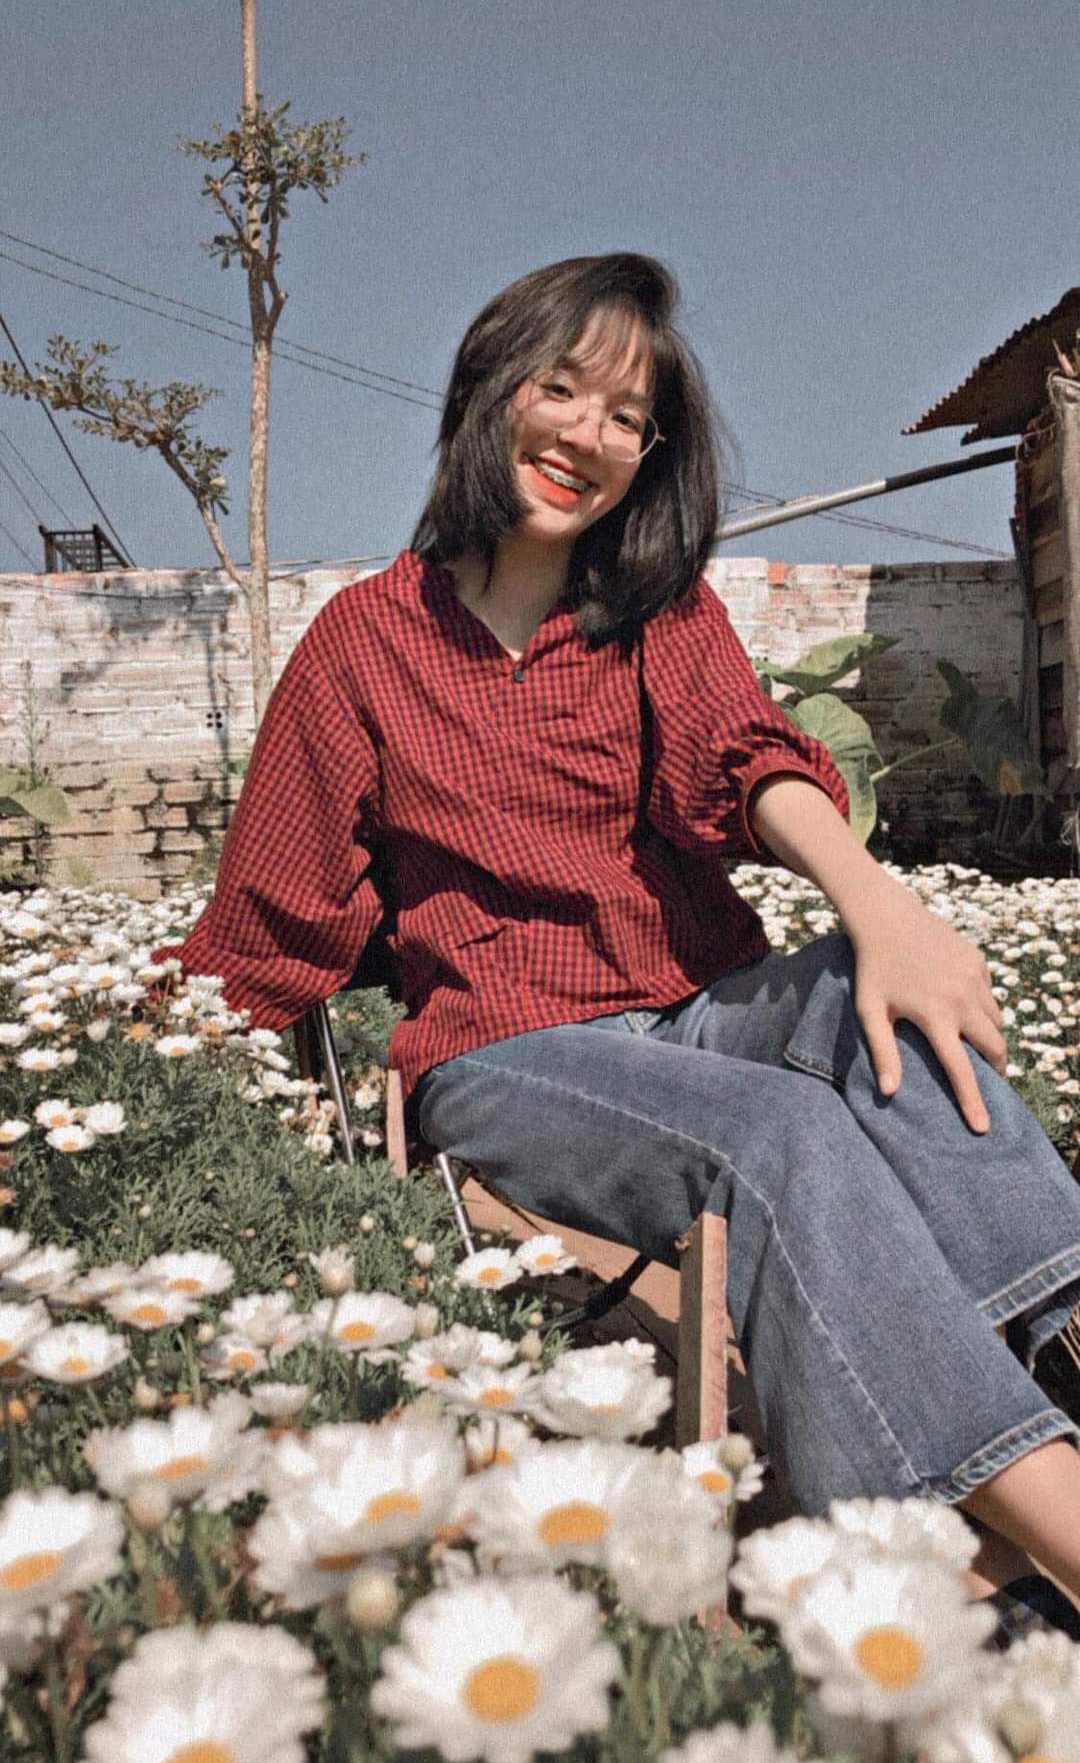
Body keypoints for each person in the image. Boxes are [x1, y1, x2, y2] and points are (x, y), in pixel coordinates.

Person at [167, 251, 1080, 1621]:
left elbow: (742, 757)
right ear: (491, 390)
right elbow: (274, 912)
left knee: (870, 999)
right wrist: (173, 1050)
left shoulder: (654, 609)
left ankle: (1059, 1356)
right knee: (777, 1134)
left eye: (627, 416)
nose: (588, 435)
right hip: (508, 1044)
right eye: (561, 389)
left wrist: (883, 907)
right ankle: (1023, 1530)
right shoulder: (362, 644)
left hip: (694, 1004)